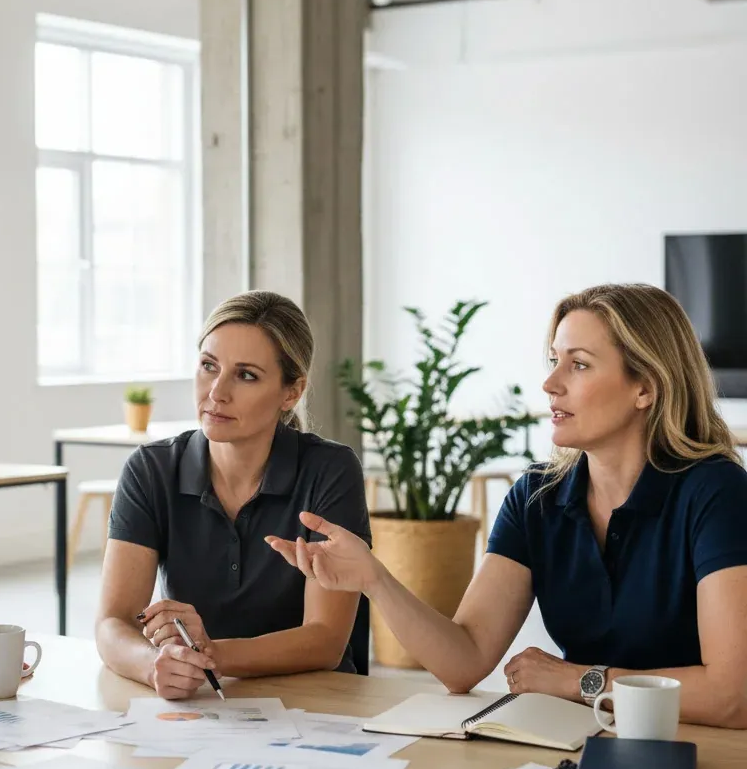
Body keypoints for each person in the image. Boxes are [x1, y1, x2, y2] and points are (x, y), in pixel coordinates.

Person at [267, 283, 747, 729]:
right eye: (553, 360)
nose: (550, 384)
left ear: (646, 386)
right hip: (588, 742)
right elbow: (465, 660)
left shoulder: (718, 493)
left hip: (705, 752)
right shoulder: (536, 497)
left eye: (578, 364)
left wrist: (579, 680)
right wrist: (374, 578)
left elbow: (733, 694)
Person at [96, 291, 370, 699]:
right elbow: (112, 623)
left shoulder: (330, 471)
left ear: (291, 392)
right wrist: (153, 665)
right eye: (209, 366)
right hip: (202, 704)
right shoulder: (151, 470)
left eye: (246, 375)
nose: (216, 392)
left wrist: (208, 655)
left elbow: (325, 640)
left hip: (316, 702)